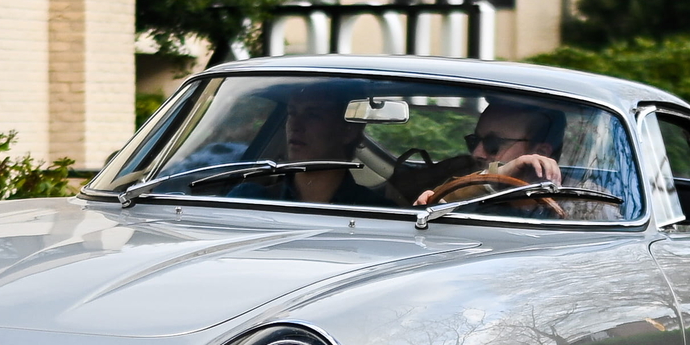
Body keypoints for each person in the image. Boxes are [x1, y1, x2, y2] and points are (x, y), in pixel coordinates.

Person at [231, 92, 389, 206]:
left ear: (348, 132)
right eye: (292, 113)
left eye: (312, 115)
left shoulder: (376, 209)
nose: (295, 125)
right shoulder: (249, 199)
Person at [411, 100, 564, 204]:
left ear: (541, 152)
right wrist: (501, 174)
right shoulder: (462, 172)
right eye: (474, 140)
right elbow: (436, 203)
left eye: (493, 144)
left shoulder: (576, 199)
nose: (477, 153)